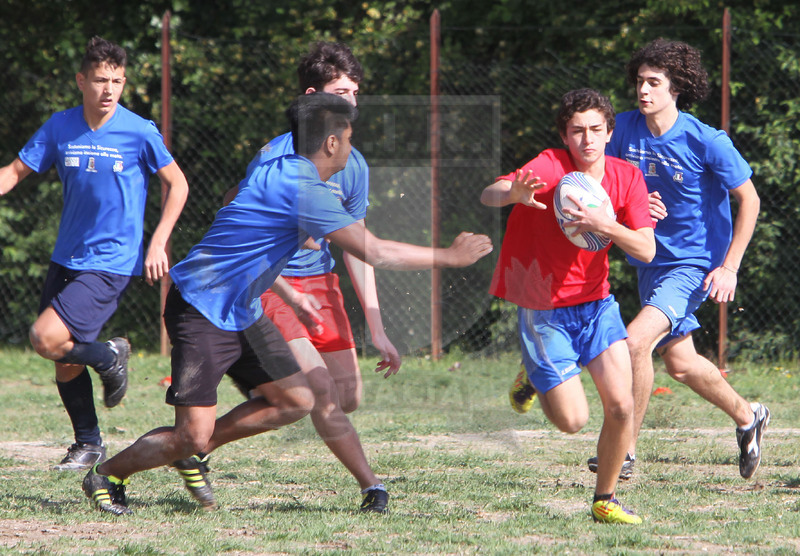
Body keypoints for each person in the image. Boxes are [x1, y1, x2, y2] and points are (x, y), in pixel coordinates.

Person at [82, 92, 493, 515]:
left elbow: (236, 202)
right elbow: (375, 251)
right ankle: (108, 474)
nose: (351, 149)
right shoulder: (303, 188)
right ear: (331, 144)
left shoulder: (279, 168)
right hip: (201, 306)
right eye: (348, 139)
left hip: (243, 307)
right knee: (191, 435)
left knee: (296, 400)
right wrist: (450, 256)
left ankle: (198, 447)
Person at [187, 42, 400, 513]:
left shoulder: (353, 161)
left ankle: (199, 445)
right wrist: (286, 293)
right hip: (273, 283)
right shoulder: (276, 158)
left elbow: (360, 248)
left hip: (320, 284)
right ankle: (372, 487)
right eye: (341, 92)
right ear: (313, 95)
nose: (353, 102)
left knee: (348, 394)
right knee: (319, 390)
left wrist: (378, 328)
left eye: (356, 92)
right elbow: (248, 228)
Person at [0, 36, 189, 471]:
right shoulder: (60, 126)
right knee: (63, 359)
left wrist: (158, 241)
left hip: (111, 260)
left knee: (45, 338)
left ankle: (109, 355)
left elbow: (177, 184)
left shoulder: (139, 131)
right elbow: (13, 173)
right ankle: (88, 443)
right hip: (66, 256)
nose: (109, 89)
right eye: (101, 80)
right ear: (81, 81)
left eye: (117, 81)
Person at [583, 39, 768, 480]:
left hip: (693, 264)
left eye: (654, 82)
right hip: (649, 262)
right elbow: (598, 182)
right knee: (681, 365)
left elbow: (751, 200)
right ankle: (749, 417)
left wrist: (729, 266)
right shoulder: (622, 130)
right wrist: (634, 203)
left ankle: (624, 449)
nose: (643, 90)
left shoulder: (707, 140)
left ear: (676, 87)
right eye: (639, 82)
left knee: (635, 342)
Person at [481, 88, 655, 524]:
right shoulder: (550, 165)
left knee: (621, 407)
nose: (587, 140)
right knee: (572, 421)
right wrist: (512, 193)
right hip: (545, 311)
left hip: (597, 305)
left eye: (596, 129)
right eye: (577, 131)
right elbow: (490, 193)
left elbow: (647, 250)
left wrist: (607, 224)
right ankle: (534, 375)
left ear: (609, 132)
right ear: (564, 134)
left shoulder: (627, 177)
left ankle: (605, 499)